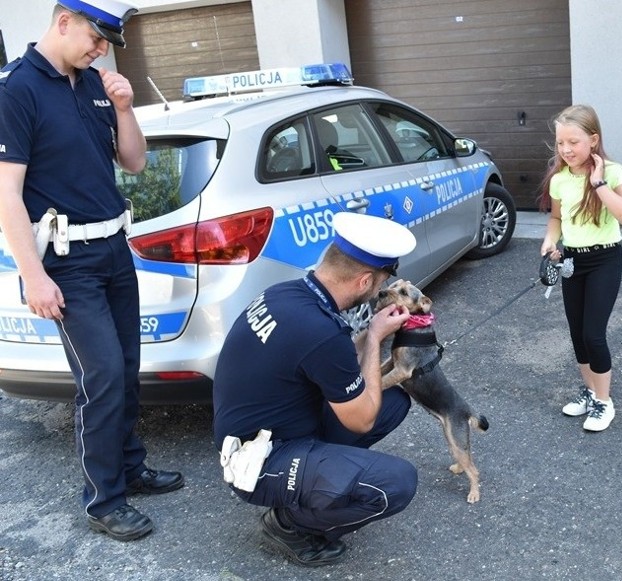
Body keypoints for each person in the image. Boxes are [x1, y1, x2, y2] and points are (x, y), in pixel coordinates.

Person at [0, 1, 183, 542]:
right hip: (65, 261)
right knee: (100, 376)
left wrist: (125, 108)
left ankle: (130, 468)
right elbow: (7, 191)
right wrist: (33, 276)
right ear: (63, 22)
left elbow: (134, 162)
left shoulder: (94, 83)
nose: (101, 49)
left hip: (113, 249)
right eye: (95, 37)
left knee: (126, 367)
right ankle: (104, 499)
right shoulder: (16, 89)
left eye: (108, 42)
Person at [213, 211, 419, 568]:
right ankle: (289, 524)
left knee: (395, 401)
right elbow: (362, 420)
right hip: (256, 463)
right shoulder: (320, 331)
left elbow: (327, 359)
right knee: (397, 483)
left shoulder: (289, 295)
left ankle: (321, 479)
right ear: (364, 281)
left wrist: (370, 331)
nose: (382, 292)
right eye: (383, 283)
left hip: (260, 430)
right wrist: (374, 340)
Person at [539, 104, 622, 432]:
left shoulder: (613, 172)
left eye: (574, 142)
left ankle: (604, 403)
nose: (566, 150)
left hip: (604, 259)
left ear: (593, 140)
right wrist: (550, 242)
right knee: (577, 335)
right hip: (572, 260)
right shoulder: (560, 179)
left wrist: (599, 184)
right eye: (560, 143)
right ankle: (592, 391)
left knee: (594, 335)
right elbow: (556, 219)